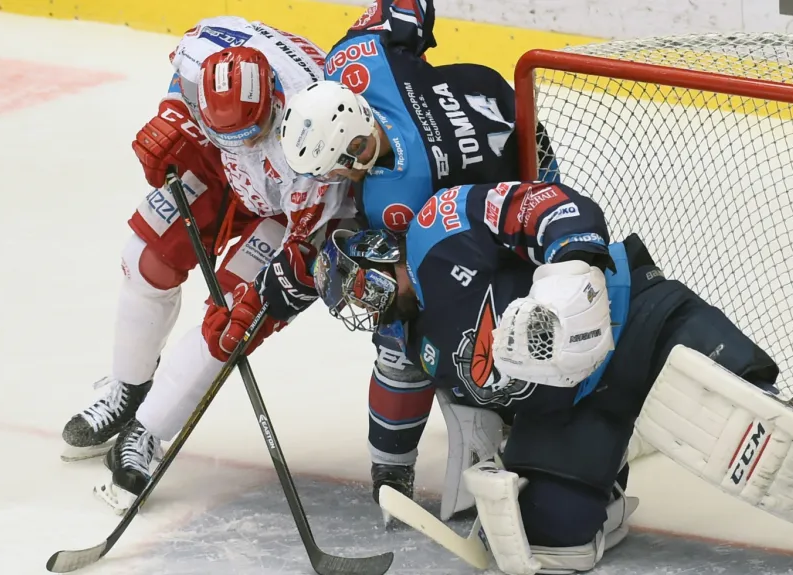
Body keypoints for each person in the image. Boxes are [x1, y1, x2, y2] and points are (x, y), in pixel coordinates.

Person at [309, 181, 793, 575]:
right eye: (354, 307)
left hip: (638, 322)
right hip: (572, 411)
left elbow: (547, 204)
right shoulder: (408, 339)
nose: (369, 306)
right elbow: (440, 402)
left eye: (366, 286)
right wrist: (453, 469)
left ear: (379, 250)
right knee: (552, 542)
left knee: (759, 430)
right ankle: (605, 483)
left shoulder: (438, 227)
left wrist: (569, 270)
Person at [224, 0, 560, 511]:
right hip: (522, 141)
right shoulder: (355, 61)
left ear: (356, 144)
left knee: (404, 336)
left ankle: (404, 464)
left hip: (509, 209)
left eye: (342, 168)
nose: (339, 181)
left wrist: (291, 284)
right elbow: (406, 7)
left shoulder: (397, 201)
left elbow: (395, 276)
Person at [60, 16, 354, 510]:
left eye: (253, 130)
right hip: (219, 167)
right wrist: (172, 120)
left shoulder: (313, 136)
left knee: (229, 322)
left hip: (284, 206)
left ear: (275, 102)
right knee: (146, 257)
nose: (245, 142)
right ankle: (127, 390)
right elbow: (180, 84)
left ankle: (148, 432)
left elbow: (309, 244)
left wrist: (270, 295)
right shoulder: (210, 47)